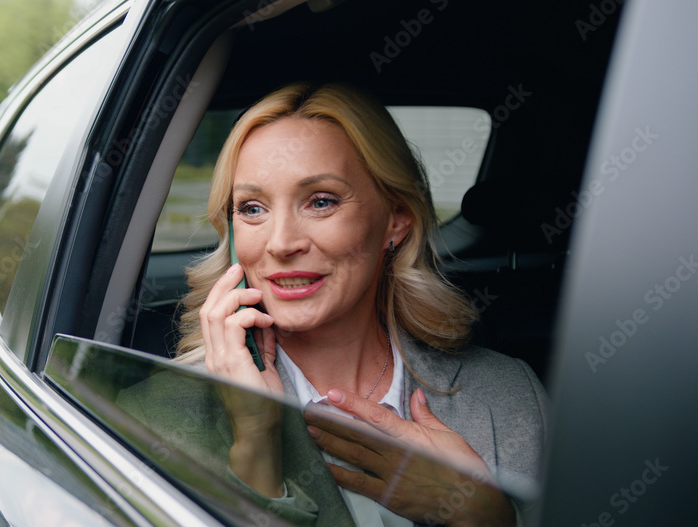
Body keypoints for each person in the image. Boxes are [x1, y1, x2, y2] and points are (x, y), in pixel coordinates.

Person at [121, 83, 546, 526]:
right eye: (251, 208)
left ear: (395, 220)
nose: (282, 243)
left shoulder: (510, 395)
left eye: (321, 202)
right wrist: (256, 451)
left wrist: (485, 515)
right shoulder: (153, 418)